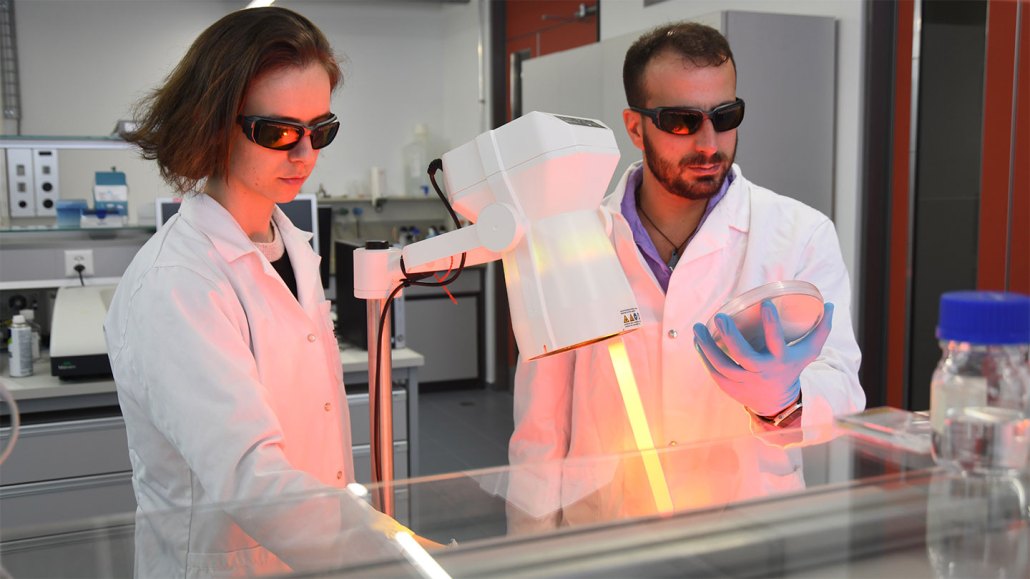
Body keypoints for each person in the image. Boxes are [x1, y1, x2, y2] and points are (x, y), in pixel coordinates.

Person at [105, 7, 425, 576]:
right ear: (213, 123)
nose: (306, 155)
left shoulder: (290, 246)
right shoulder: (177, 284)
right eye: (278, 132)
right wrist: (397, 558)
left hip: (311, 557)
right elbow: (251, 477)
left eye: (321, 130)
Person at [507, 21, 865, 529]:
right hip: (607, 531)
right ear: (635, 128)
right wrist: (530, 553)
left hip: (746, 530)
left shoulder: (800, 235)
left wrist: (785, 402)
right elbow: (540, 429)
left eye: (726, 116)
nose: (709, 142)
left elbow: (844, 391)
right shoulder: (571, 242)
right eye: (681, 120)